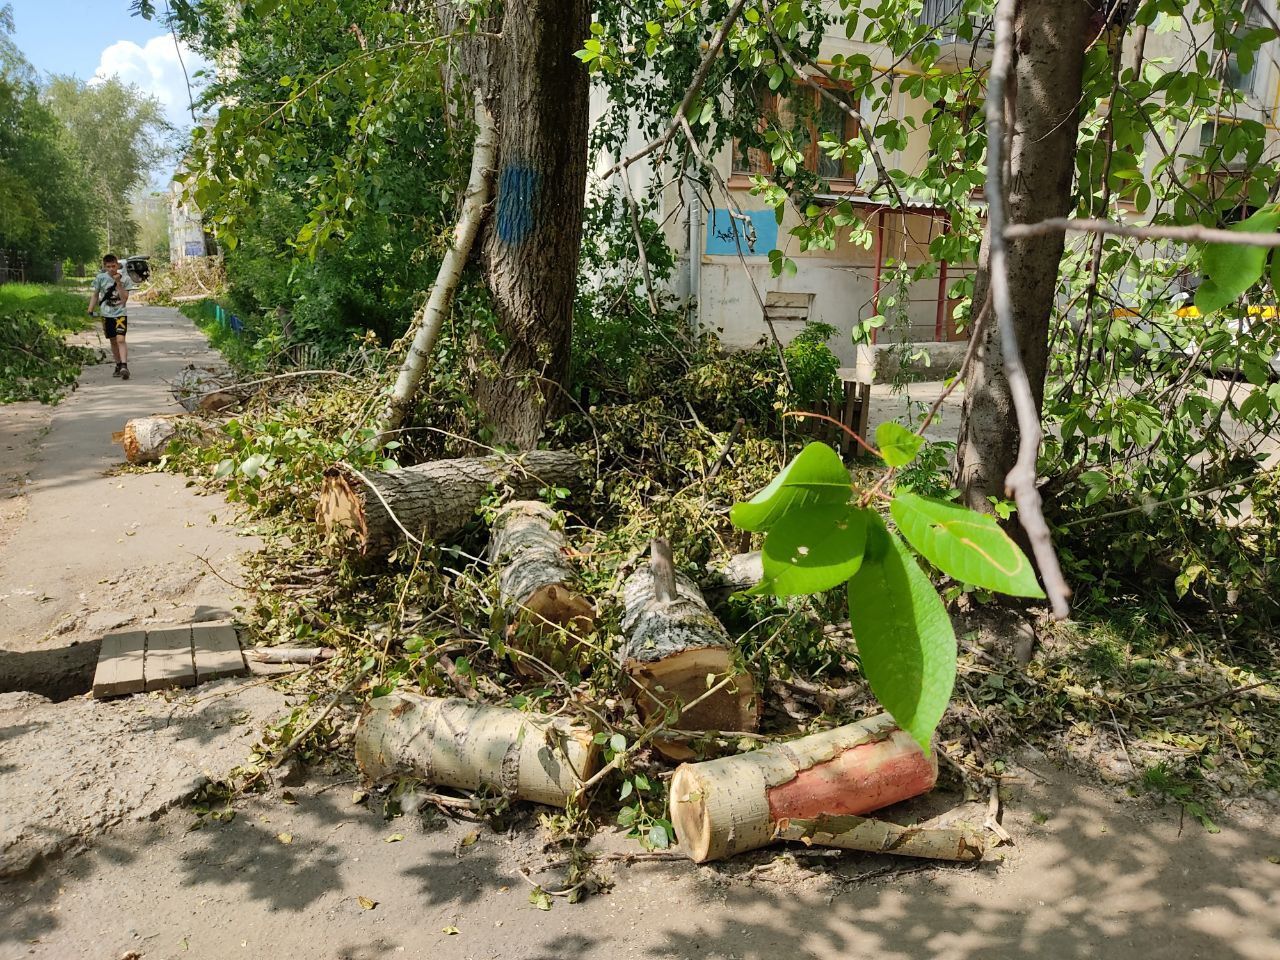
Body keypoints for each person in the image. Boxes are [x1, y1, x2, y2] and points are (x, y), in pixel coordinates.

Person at [88, 253, 135, 380]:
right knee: (113, 340)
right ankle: (118, 364)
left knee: (121, 339)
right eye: (108, 266)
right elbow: (95, 294)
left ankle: (124, 365)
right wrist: (90, 309)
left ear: (117, 265)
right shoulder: (100, 278)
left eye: (113, 266)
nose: (111, 269)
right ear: (104, 266)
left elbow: (124, 299)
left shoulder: (125, 279)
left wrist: (118, 282)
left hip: (120, 314)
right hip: (106, 314)